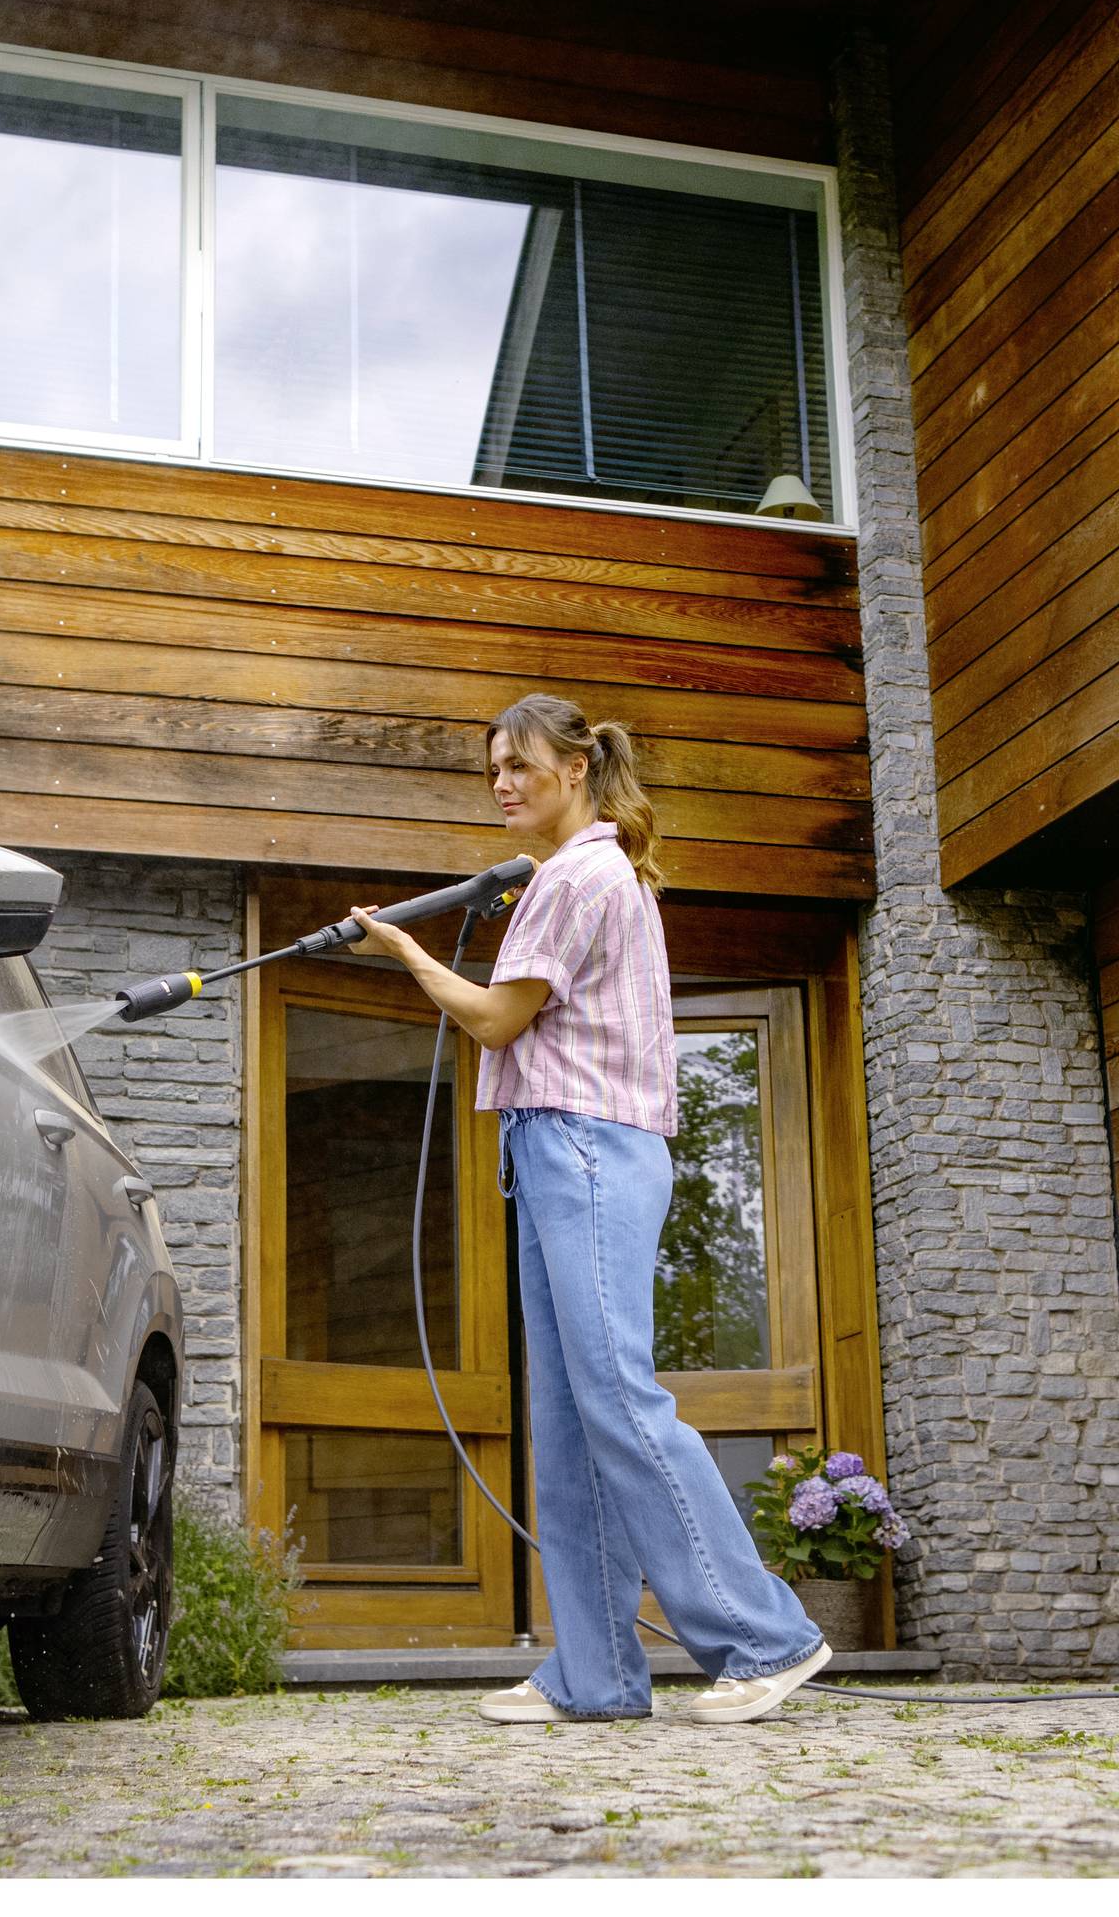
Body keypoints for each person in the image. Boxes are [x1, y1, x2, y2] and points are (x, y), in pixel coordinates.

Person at [344, 692, 831, 1725]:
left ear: (574, 767)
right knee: (567, 1423)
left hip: (587, 1146)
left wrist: (405, 952)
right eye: (492, 771)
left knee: (616, 1396)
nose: (505, 784)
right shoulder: (565, 878)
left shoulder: (579, 875)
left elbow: (493, 1017)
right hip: (556, 1147)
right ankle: (599, 1672)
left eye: (520, 763)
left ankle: (764, 1636)